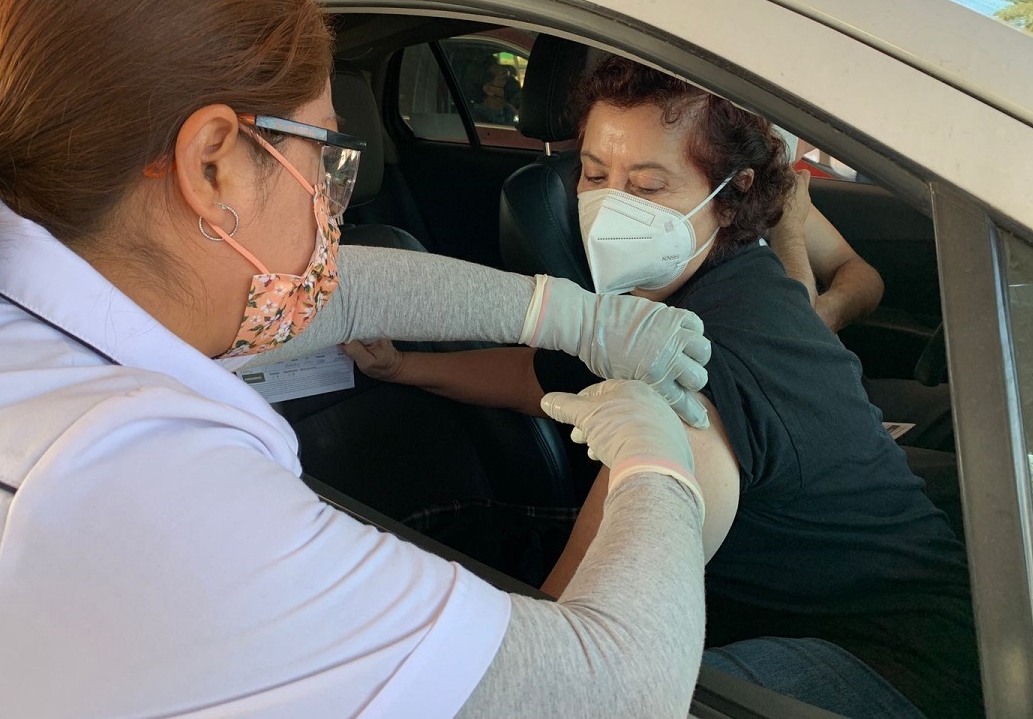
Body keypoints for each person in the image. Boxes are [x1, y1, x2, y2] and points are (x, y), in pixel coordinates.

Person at [0, 0, 729, 718]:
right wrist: (657, 462)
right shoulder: (131, 489)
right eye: (322, 152)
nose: (331, 199)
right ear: (213, 166)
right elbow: (615, 690)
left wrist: (574, 319)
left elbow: (343, 290)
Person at [347, 56, 982, 719]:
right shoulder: (696, 292)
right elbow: (541, 374)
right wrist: (407, 368)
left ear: (730, 193)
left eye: (647, 188)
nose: (609, 207)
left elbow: (572, 661)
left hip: (884, 663)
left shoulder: (700, 372)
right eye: (594, 174)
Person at [768, 127, 885, 332]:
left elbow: (859, 271)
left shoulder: (770, 190)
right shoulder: (706, 204)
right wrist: (788, 228)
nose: (798, 152)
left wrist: (829, 310)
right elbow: (798, 329)